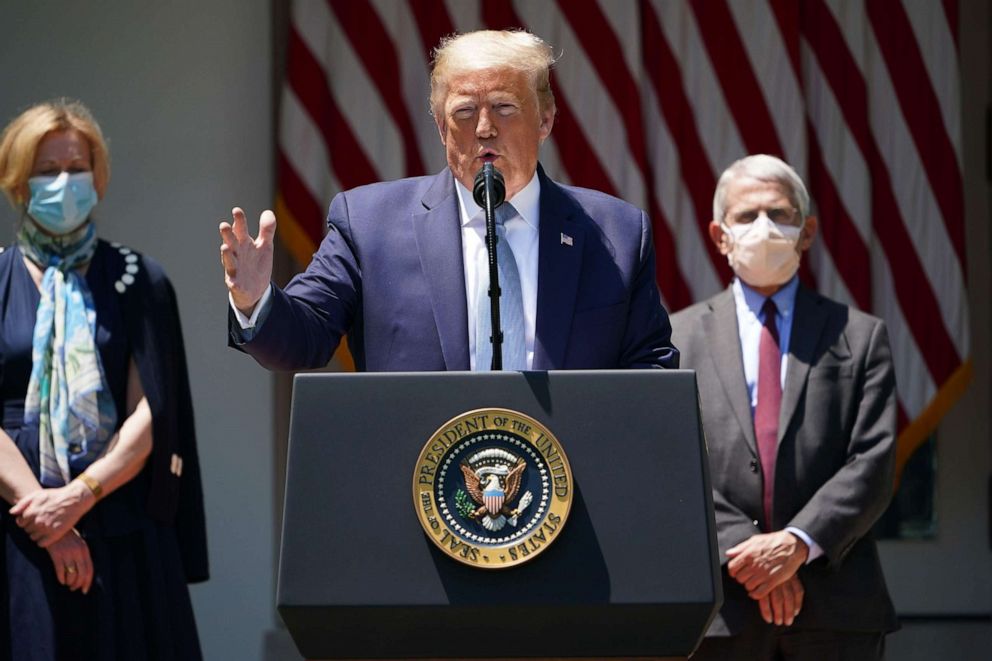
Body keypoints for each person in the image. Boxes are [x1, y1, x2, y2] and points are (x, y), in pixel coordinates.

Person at [221, 30, 678, 371]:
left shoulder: (615, 231)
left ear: (545, 120)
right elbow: (305, 336)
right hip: (420, 488)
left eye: (504, 107)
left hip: (569, 487)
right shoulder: (368, 224)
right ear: (441, 129)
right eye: (463, 112)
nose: (483, 129)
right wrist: (256, 300)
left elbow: (650, 366)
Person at [0, 99, 207, 660]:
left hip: (122, 525)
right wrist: (48, 517)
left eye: (77, 168)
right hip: (17, 527)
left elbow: (152, 414)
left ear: (98, 177)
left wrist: (76, 498)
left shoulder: (140, 280)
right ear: (19, 183)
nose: (65, 181)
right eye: (49, 171)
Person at [671, 155, 898, 660]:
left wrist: (796, 544)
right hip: (719, 610)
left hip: (837, 608)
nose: (765, 228)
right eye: (747, 216)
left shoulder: (859, 337)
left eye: (780, 214)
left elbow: (874, 463)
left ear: (808, 231)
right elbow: (668, 461)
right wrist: (753, 558)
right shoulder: (675, 338)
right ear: (718, 234)